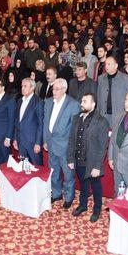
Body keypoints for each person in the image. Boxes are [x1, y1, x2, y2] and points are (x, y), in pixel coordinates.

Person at [67, 93, 109, 222]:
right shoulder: (76, 118)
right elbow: (71, 140)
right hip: (78, 159)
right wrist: (70, 159)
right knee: (83, 184)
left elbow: (103, 146)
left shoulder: (101, 121)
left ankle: (97, 210)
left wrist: (97, 166)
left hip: (92, 161)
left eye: (85, 101)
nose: (81, 103)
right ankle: (83, 205)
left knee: (96, 187)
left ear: (93, 104)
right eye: (82, 101)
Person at [43, 78, 81, 208]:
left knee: (68, 173)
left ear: (64, 90)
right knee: (53, 171)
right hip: (51, 143)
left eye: (57, 89)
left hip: (65, 146)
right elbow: (45, 123)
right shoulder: (48, 102)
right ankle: (57, 193)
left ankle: (69, 196)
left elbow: (75, 129)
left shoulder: (73, 104)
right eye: (53, 88)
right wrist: (45, 140)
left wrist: (71, 148)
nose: (54, 91)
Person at [13, 78, 44, 165]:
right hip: (21, 140)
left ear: (32, 88)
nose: (22, 88)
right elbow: (17, 121)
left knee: (37, 168)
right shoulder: (19, 101)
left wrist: (38, 143)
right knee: (23, 167)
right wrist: (15, 138)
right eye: (22, 86)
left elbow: (41, 124)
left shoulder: (38, 102)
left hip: (33, 142)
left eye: (25, 86)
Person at [96, 56, 128, 127]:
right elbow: (99, 98)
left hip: (120, 116)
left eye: (109, 64)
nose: (106, 66)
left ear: (116, 66)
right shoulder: (101, 78)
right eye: (105, 64)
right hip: (103, 116)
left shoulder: (127, 79)